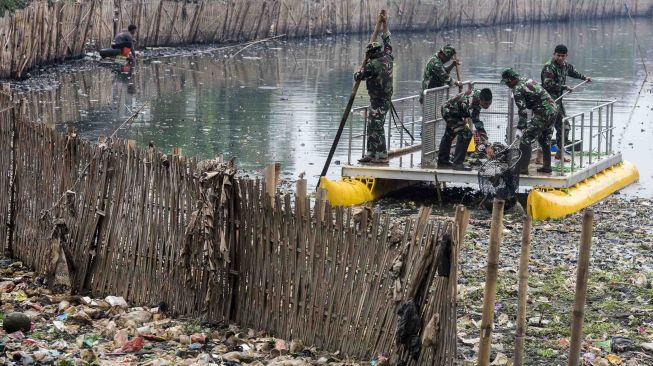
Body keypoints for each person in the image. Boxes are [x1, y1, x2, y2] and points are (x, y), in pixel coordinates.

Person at [501, 68, 558, 174]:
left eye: (507, 82)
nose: (507, 85)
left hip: (543, 112)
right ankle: (547, 167)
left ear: (511, 80)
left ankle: (522, 169)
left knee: (525, 138)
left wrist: (520, 128)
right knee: (544, 139)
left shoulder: (517, 89)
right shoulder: (526, 80)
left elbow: (522, 111)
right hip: (553, 109)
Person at [354, 12, 393, 164]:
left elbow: (358, 77)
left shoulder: (372, 65)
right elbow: (388, 39)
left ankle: (382, 155)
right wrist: (385, 23)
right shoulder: (388, 57)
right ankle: (370, 153)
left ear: (370, 55)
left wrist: (358, 70)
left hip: (379, 100)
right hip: (383, 99)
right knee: (372, 126)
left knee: (376, 126)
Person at [541, 44, 591, 160]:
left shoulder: (565, 66)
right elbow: (547, 84)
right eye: (558, 55)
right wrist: (564, 87)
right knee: (547, 129)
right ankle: (540, 155)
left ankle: (559, 151)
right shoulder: (549, 67)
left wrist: (584, 78)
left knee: (565, 127)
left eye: (563, 56)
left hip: (558, 103)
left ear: (566, 56)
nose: (560, 58)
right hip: (548, 102)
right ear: (554, 54)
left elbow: (573, 72)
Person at [438, 88, 494, 170]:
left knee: (449, 134)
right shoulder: (473, 105)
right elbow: (478, 124)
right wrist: (486, 144)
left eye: (489, 103)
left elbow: (462, 101)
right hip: (449, 111)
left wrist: (464, 116)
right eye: (485, 104)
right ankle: (457, 163)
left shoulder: (479, 93)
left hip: (456, 112)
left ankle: (442, 161)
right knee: (466, 133)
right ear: (480, 100)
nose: (487, 106)